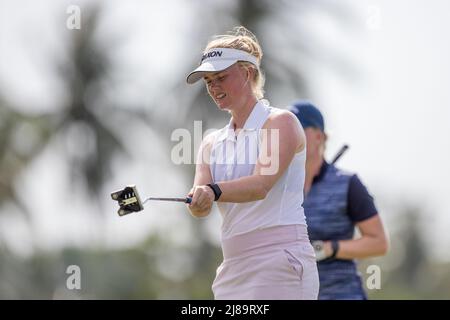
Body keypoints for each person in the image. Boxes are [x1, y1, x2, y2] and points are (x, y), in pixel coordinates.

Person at [185, 27, 319, 300]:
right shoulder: (211, 142)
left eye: (221, 77)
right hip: (233, 267)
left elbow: (260, 185)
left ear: (247, 73)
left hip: (280, 260)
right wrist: (197, 200)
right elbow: (200, 201)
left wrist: (212, 191)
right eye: (209, 80)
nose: (214, 87)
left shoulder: (280, 123)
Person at [289, 101, 389, 300]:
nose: (291, 136)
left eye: (299, 129)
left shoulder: (348, 184)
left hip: (343, 294)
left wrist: (329, 248)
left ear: (319, 137)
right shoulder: (280, 187)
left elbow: (379, 243)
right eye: (288, 130)